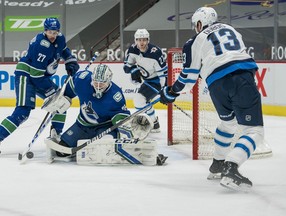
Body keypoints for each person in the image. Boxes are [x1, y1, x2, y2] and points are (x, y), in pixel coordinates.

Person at [160, 7, 264, 191]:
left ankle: (217, 164)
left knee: (228, 124)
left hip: (217, 85)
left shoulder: (194, 41)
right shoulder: (232, 30)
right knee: (254, 131)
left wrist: (171, 92)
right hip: (241, 78)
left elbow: (189, 78)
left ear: (199, 23)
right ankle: (230, 167)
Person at [0, 17, 79, 146]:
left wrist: (70, 61)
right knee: (22, 112)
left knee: (61, 103)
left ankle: (55, 136)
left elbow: (64, 50)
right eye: (50, 32)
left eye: (55, 32)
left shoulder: (60, 38)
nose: (53, 35)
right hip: (26, 76)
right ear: (45, 30)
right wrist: (51, 91)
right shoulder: (40, 46)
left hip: (39, 77)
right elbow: (36, 76)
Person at [44, 64, 153, 154]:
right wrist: (60, 99)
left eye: (102, 83)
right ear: (92, 79)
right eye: (96, 82)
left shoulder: (115, 95)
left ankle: (111, 139)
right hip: (82, 125)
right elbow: (68, 91)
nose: (98, 86)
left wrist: (124, 129)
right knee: (61, 151)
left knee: (105, 149)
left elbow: (120, 116)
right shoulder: (82, 79)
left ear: (109, 80)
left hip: (104, 128)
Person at [123, 29, 167, 133]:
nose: (141, 42)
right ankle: (154, 123)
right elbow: (126, 68)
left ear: (148, 40)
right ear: (135, 40)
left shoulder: (155, 53)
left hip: (157, 81)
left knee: (139, 100)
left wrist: (163, 88)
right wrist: (134, 70)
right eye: (139, 40)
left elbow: (163, 74)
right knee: (139, 101)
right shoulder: (132, 50)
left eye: (144, 40)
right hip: (147, 80)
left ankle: (151, 122)